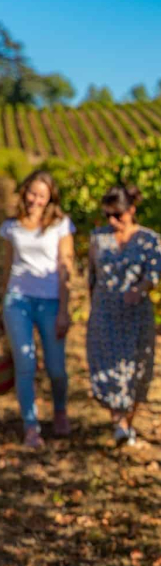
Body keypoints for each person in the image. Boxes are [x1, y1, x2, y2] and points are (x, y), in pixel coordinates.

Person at [0, 171, 74, 449]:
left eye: (42, 195)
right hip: (17, 299)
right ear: (24, 192)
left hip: (51, 301)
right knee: (24, 362)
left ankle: (60, 409)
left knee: (56, 368)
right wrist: (2, 300)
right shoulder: (11, 227)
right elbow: (8, 266)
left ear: (50, 198)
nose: (35, 200)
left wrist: (65, 309)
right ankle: (31, 425)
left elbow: (66, 267)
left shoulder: (61, 225)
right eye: (32, 193)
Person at [86, 184, 161, 446]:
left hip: (135, 313)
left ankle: (127, 423)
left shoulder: (148, 240)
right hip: (105, 312)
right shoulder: (98, 238)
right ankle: (117, 422)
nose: (113, 221)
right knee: (107, 367)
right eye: (108, 215)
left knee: (136, 370)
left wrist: (139, 290)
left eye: (118, 215)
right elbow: (92, 276)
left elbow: (154, 275)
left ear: (131, 210)